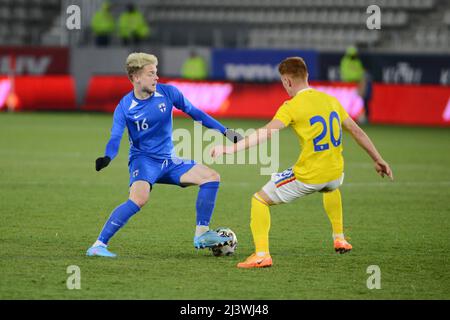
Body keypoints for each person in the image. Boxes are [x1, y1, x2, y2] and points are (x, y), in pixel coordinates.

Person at [211, 57, 393, 269]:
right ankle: (339, 237)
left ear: (287, 81)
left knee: (259, 200)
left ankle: (261, 255)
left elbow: (265, 134)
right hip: (335, 174)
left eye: (283, 82)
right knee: (330, 188)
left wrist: (229, 149)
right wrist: (378, 159)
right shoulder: (330, 100)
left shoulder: (292, 106)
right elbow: (356, 131)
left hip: (309, 176)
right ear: (306, 76)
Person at [87, 53, 243, 258]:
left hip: (170, 161)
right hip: (144, 161)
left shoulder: (168, 93)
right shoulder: (125, 107)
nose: (157, 78)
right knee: (139, 198)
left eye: (156, 73)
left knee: (211, 177)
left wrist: (226, 132)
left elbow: (196, 113)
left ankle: (201, 234)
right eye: (151, 73)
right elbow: (115, 137)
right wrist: (108, 157)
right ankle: (98, 245)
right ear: (135, 77)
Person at [340, 46, 372, 124]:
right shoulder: (345, 61)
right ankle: (346, 118)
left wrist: (359, 80)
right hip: (348, 85)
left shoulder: (357, 62)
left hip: (356, 84)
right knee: (347, 101)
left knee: (358, 100)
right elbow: (346, 73)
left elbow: (360, 72)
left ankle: (360, 117)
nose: (354, 56)